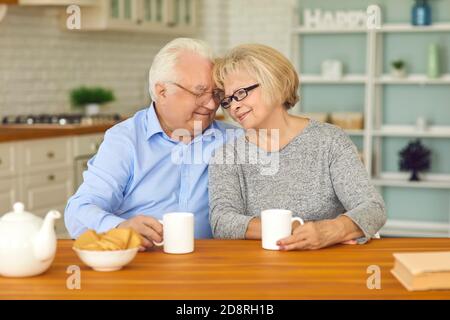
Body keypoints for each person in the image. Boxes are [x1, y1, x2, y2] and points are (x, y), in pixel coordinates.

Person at [209, 44, 386, 250]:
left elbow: (373, 208)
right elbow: (222, 222)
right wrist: (288, 228)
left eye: (240, 93)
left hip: (326, 265)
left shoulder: (329, 140)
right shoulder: (227, 154)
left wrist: (330, 230)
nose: (234, 106)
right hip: (260, 268)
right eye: (227, 101)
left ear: (277, 84)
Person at [65, 38, 235, 250]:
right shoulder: (126, 139)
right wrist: (119, 227)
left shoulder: (233, 140)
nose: (211, 105)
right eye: (199, 92)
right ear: (162, 91)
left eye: (216, 94)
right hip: (141, 262)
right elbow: (79, 211)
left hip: (209, 262)